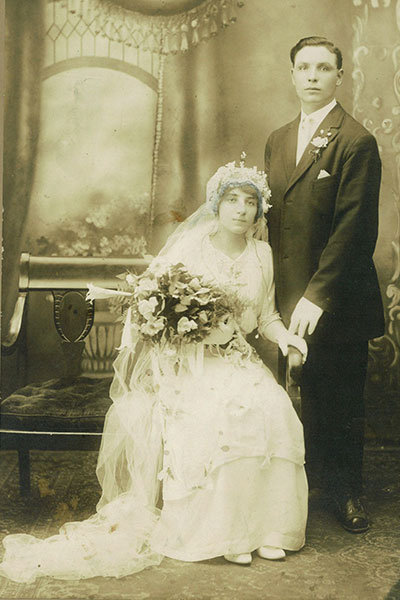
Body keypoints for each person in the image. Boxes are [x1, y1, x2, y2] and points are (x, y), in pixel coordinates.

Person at [0, 157, 308, 582]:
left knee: (270, 406)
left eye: (250, 202)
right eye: (232, 200)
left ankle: (265, 528)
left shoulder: (263, 254)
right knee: (219, 415)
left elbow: (268, 315)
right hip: (188, 364)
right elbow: (155, 314)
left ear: (259, 210)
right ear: (216, 205)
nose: (241, 209)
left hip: (238, 358)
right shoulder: (192, 248)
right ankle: (227, 534)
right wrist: (195, 337)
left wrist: (286, 336)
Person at [264, 36, 384, 533]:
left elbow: (354, 229)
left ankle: (348, 492)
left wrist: (317, 294)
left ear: (339, 77)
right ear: (292, 75)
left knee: (340, 400)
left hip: (336, 298)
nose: (312, 76)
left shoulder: (355, 140)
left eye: (323, 68)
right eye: (303, 67)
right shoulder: (278, 137)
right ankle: (306, 489)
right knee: (302, 395)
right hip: (287, 294)